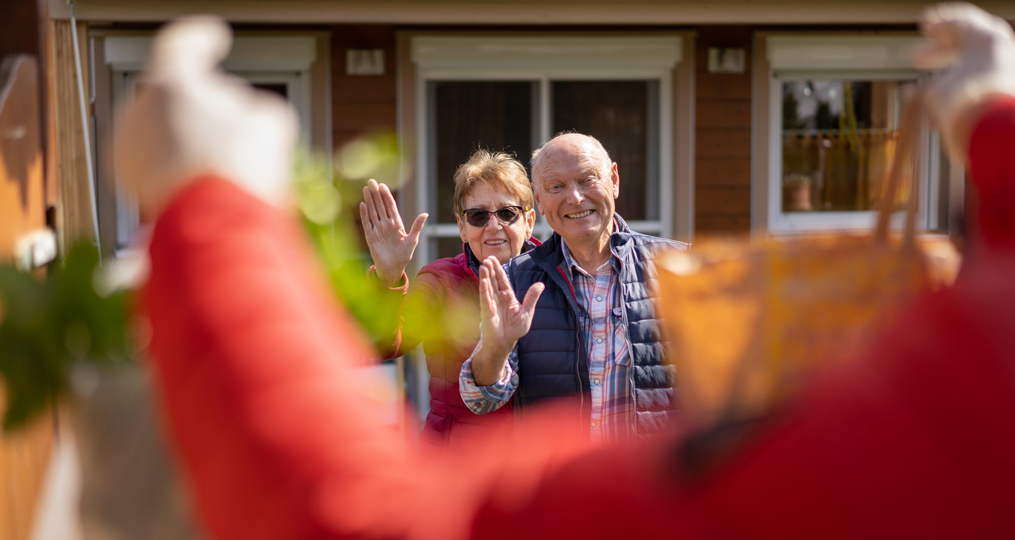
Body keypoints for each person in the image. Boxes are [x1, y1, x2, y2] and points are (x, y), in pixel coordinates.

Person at [123, 5, 1015, 539]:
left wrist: (208, 206)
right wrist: (424, 303)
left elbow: (351, 514)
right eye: (487, 211)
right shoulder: (470, 282)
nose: (505, 222)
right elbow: (396, 355)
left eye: (510, 209)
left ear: (612, 182)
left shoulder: (678, 272)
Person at [459, 133, 689, 441]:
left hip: (654, 483)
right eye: (556, 186)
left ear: (614, 180)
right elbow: (482, 399)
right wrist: (495, 349)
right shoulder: (515, 279)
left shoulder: (681, 268)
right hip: (562, 485)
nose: (575, 198)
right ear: (538, 201)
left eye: (587, 179)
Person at [359, 150, 539, 453]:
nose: (493, 226)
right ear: (462, 227)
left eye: (507, 212)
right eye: (478, 215)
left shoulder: (553, 278)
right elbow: (383, 344)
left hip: (534, 468)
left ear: (529, 221)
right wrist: (388, 277)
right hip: (456, 467)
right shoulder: (441, 280)